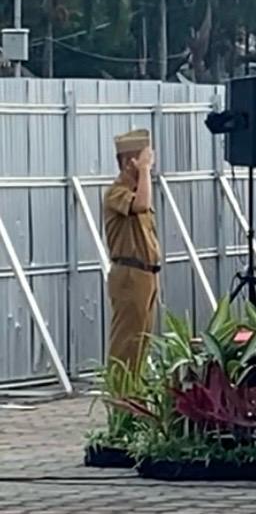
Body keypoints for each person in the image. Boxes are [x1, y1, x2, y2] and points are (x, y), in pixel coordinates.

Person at [104, 129, 160, 372]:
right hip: (129, 273)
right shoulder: (116, 192)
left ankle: (134, 396)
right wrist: (145, 170)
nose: (150, 165)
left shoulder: (139, 190)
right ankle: (120, 395)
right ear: (129, 163)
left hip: (146, 274)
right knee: (125, 341)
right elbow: (141, 205)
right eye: (144, 159)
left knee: (141, 341)